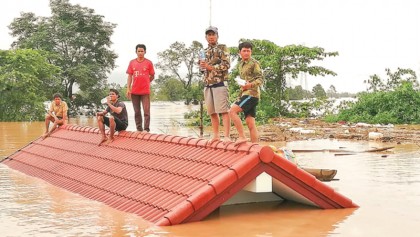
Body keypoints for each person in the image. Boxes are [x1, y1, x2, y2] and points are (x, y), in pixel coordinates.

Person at [199, 26, 231, 143]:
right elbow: (202, 69)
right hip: (208, 84)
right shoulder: (203, 51)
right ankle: (216, 135)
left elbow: (226, 65)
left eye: (213, 34)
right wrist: (202, 66)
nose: (211, 37)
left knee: (223, 111)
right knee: (212, 112)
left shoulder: (222, 48)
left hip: (220, 83)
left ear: (217, 36)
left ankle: (227, 136)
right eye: (209, 35)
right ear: (206, 37)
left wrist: (210, 67)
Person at [229, 42, 264, 145]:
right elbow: (245, 81)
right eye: (244, 50)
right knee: (250, 123)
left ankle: (242, 136)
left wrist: (249, 85)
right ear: (240, 52)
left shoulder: (254, 63)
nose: (246, 53)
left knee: (232, 111)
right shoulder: (240, 65)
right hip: (245, 94)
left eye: (248, 51)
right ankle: (255, 147)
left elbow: (260, 79)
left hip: (251, 94)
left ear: (251, 52)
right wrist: (242, 87)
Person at [126, 44, 155, 132]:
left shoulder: (149, 62)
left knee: (146, 111)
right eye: (138, 51)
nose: (140, 53)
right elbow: (130, 76)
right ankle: (139, 129)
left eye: (142, 51)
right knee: (137, 112)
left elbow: (152, 75)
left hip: (145, 91)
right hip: (134, 91)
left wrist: (146, 82)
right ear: (136, 52)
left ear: (145, 52)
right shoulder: (132, 62)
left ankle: (146, 129)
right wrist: (128, 88)